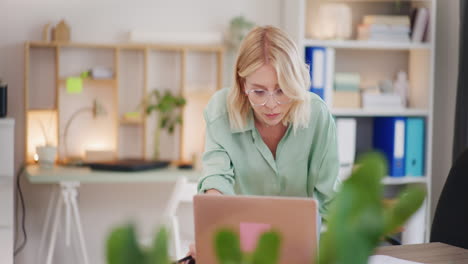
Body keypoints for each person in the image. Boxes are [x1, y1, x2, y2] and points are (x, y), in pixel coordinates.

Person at [185, 25, 340, 262]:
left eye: (282, 90)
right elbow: (216, 179)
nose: (271, 104)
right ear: (242, 84)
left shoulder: (317, 115)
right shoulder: (221, 111)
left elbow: (329, 197)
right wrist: (211, 235)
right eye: (259, 92)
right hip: (242, 251)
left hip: (302, 250)